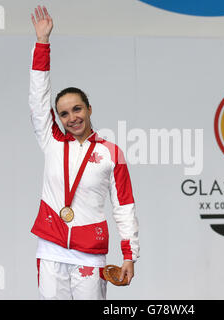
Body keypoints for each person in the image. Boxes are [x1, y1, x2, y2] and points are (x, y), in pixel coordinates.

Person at [29, 5, 139, 300]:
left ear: (89, 109)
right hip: (51, 249)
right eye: (64, 113)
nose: (72, 117)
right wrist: (42, 44)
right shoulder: (51, 140)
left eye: (77, 109)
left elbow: (124, 206)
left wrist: (129, 254)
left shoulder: (110, 153)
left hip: (90, 255)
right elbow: (38, 100)